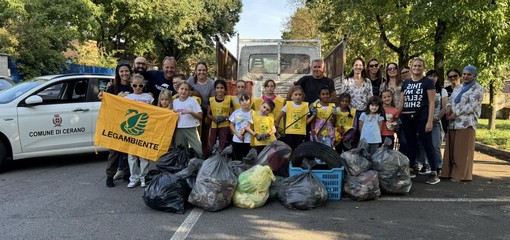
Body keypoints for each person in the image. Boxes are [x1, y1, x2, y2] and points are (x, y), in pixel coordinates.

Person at [397, 57, 439, 185]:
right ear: (411, 68)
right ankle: (410, 169)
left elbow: (432, 103)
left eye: (419, 66)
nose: (417, 68)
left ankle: (434, 172)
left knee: (427, 144)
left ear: (423, 68)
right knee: (411, 144)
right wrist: (395, 117)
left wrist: (430, 121)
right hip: (406, 118)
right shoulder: (406, 83)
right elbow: (401, 102)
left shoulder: (428, 82)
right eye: (414, 66)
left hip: (422, 118)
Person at [442, 65, 484, 182]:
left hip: (466, 123)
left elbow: (472, 106)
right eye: (464, 74)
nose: (466, 76)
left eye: (469, 74)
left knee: (462, 150)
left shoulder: (478, 89)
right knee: (452, 149)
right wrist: (449, 109)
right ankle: (448, 172)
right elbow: (450, 100)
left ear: (474, 76)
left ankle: (460, 175)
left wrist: (456, 113)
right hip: (453, 122)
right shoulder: (458, 88)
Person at [103, 63, 133, 187]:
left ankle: (127, 174)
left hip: (129, 124)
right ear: (118, 73)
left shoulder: (134, 86)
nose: (124, 73)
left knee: (127, 150)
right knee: (114, 151)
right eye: (122, 71)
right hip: (115, 123)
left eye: (126, 71)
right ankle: (110, 176)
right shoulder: (112, 87)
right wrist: (117, 98)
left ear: (130, 72)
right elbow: (107, 104)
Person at [124, 74, 154, 188]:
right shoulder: (127, 98)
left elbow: (155, 113)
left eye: (140, 85)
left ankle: (143, 177)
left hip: (145, 130)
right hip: (131, 131)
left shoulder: (149, 98)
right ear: (131, 85)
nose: (137, 87)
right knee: (131, 156)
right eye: (135, 85)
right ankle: (134, 177)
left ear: (144, 85)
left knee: (143, 156)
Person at [416, 70, 448, 174]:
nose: (432, 78)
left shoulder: (442, 91)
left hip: (435, 121)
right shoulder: (422, 89)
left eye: (435, 76)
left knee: (435, 145)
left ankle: (438, 166)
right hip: (423, 120)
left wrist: (437, 118)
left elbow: (444, 107)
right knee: (422, 145)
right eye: (430, 76)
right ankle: (426, 165)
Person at [187, 61, 215, 154]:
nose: (201, 72)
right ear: (195, 71)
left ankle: (204, 152)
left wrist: (208, 115)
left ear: (207, 71)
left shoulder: (211, 83)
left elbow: (212, 101)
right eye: (199, 70)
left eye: (203, 70)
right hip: (193, 109)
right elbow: (185, 91)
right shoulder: (190, 81)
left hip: (206, 110)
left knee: (205, 135)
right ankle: (193, 151)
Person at [339, 57, 373, 128]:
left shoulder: (367, 81)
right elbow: (342, 98)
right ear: (352, 67)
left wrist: (371, 112)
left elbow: (370, 98)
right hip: (350, 112)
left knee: (363, 134)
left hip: (364, 112)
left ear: (363, 67)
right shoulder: (347, 81)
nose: (358, 67)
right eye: (356, 65)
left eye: (360, 65)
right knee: (351, 135)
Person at [172, 82, 203, 159]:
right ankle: (182, 169)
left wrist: (190, 112)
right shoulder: (174, 102)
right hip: (179, 129)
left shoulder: (192, 101)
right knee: (180, 151)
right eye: (182, 89)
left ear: (189, 92)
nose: (183, 91)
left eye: (186, 89)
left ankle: (200, 166)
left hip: (191, 128)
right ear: (178, 90)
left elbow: (200, 116)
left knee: (199, 151)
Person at [206, 79, 232, 156]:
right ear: (215, 89)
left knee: (222, 145)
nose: (219, 90)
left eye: (222, 88)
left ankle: (221, 161)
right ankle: (210, 160)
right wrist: (213, 118)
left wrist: (225, 118)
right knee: (211, 144)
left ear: (225, 90)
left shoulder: (228, 100)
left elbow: (232, 115)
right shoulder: (211, 100)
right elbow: (208, 114)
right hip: (214, 126)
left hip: (225, 126)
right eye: (217, 88)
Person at [229, 93, 253, 160]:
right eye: (242, 100)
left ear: (250, 101)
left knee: (247, 160)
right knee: (236, 159)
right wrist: (237, 135)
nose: (244, 102)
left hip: (248, 140)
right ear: (240, 102)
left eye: (246, 100)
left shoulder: (253, 113)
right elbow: (231, 125)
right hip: (237, 139)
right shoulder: (236, 112)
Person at [442, 68, 462, 133]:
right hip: (447, 120)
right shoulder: (445, 90)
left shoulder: (464, 89)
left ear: (460, 76)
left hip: (460, 120)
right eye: (450, 77)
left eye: (455, 76)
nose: (452, 78)